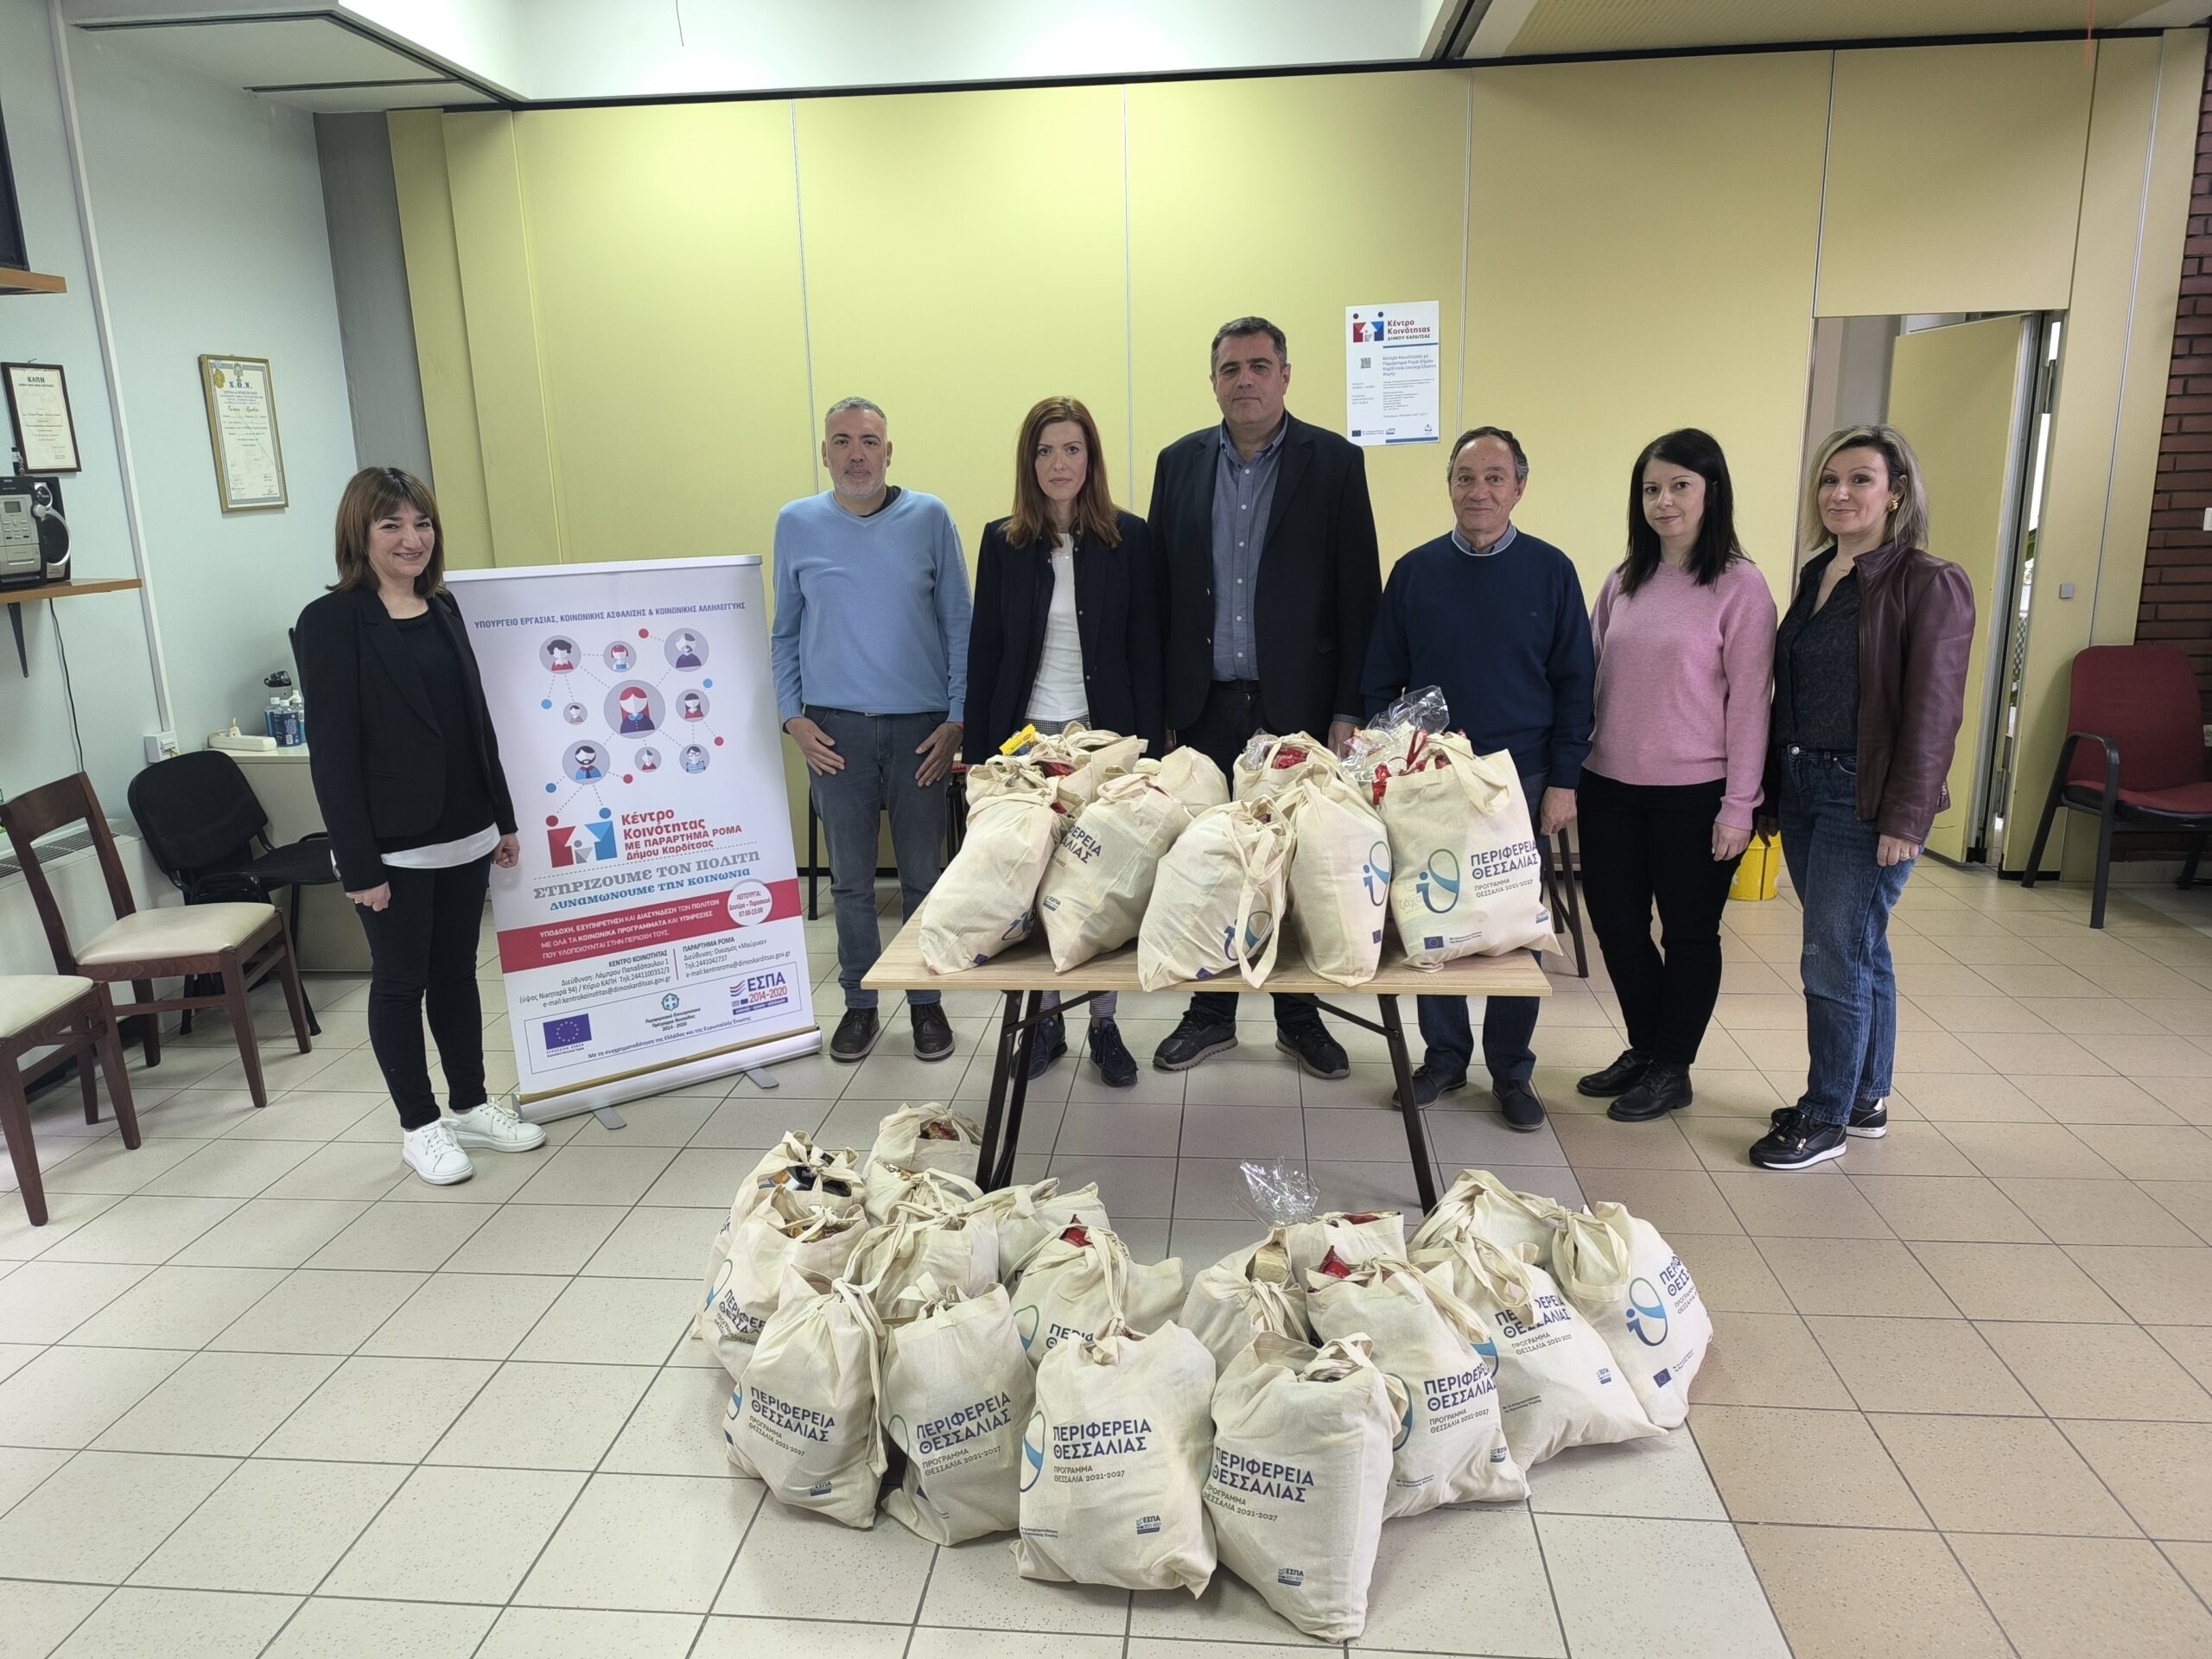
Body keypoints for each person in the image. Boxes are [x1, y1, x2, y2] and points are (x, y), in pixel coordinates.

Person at [296, 467, 546, 1186]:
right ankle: (420, 1125)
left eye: (422, 523)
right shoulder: (332, 621)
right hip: (393, 847)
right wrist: (359, 864)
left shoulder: (443, 606)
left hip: (466, 828)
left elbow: (476, 722)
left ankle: (469, 1104)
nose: (412, 539)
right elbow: (333, 754)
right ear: (360, 534)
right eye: (392, 526)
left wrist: (502, 817)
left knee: (457, 975)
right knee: (401, 984)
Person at [1148, 315, 1381, 1078]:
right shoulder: (1178, 463)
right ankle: (1209, 1012)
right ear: (1213, 381)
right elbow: (1160, 594)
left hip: (1300, 705)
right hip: (1203, 704)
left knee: (1300, 866)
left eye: (1257, 366)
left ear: (1285, 375)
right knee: (1209, 861)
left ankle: (1299, 1016)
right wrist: (1161, 711)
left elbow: (1358, 593)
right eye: (1230, 368)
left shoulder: (1334, 462)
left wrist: (1349, 708)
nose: (1243, 380)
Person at [1751, 425, 1973, 1169]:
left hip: (1865, 795)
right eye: (1829, 480)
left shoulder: (1928, 582)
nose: (1839, 493)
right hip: (1804, 784)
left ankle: (1824, 1117)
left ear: (1897, 493)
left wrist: (1906, 817)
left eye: (1860, 480)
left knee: (1831, 956)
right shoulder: (1819, 573)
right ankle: (1864, 1096)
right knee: (1860, 948)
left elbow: (1935, 713)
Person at [1360, 427, 1592, 1131]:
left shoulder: (1551, 571)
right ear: (1450, 487)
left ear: (1519, 487)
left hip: (1520, 779)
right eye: (1465, 478)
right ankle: (1444, 1058)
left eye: (1495, 477)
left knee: (1513, 926)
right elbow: (1381, 677)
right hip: (1430, 781)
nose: (1479, 491)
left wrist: (1565, 781)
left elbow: (1576, 684)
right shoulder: (1415, 572)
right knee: (1435, 917)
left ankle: (1512, 1070)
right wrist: (1386, 765)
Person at [1576, 429, 1777, 1123]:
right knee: (1618, 928)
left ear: (1711, 492)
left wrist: (1740, 805)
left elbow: (1750, 704)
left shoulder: (1740, 585)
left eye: (1679, 486)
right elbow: (1591, 678)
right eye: (1651, 489)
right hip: (1609, 787)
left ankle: (1672, 1066)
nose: (1664, 501)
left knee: (1688, 935)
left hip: (1695, 795)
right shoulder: (1623, 580)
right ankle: (1645, 1048)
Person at [966, 396, 1163, 1090]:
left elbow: (1146, 647)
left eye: (1072, 449)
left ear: (1091, 459)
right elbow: (986, 649)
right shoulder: (1003, 542)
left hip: (1103, 739)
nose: (1059, 463)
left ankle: (1104, 1023)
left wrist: (1148, 746)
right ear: (1029, 462)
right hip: (1026, 744)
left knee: (1100, 881)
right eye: (1045, 451)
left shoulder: (1128, 538)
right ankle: (1045, 1020)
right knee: (1033, 880)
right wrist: (981, 753)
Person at [772, 396, 972, 1065]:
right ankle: (860, 1004)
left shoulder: (930, 518)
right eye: (842, 441)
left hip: (922, 731)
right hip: (834, 735)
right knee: (851, 884)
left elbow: (960, 623)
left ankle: (926, 1003)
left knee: (923, 878)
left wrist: (957, 719)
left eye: (868, 441)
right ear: (824, 453)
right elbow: (785, 633)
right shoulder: (796, 523)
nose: (856, 454)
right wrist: (793, 717)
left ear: (889, 452)